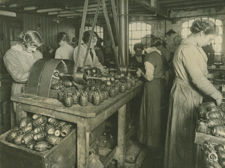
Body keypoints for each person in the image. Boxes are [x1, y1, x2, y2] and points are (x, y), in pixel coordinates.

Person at [164, 20, 222, 168]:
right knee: (182, 137)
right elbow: (196, 78)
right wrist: (217, 94)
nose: (209, 42)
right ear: (201, 33)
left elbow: (197, 73)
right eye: (209, 39)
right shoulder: (187, 49)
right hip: (185, 95)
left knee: (188, 134)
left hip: (190, 93)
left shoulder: (193, 47)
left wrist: (208, 78)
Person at [136, 36, 167, 160]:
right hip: (160, 86)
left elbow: (149, 77)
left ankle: (151, 144)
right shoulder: (159, 54)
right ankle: (156, 141)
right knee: (157, 114)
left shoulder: (149, 57)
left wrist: (140, 73)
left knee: (151, 114)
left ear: (146, 46)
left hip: (152, 87)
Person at [4, 30, 43, 96]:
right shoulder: (11, 54)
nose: (35, 50)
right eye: (32, 47)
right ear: (24, 43)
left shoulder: (38, 54)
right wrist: (41, 74)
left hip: (36, 89)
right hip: (20, 91)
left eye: (36, 47)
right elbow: (18, 77)